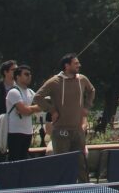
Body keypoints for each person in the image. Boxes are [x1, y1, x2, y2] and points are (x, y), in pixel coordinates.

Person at [33, 53, 95, 182]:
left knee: (81, 164)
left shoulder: (82, 79)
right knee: (62, 164)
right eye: (76, 63)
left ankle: (85, 188)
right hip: (61, 131)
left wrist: (87, 107)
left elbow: (92, 90)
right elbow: (37, 97)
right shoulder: (54, 81)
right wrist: (52, 110)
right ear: (67, 66)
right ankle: (63, 188)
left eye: (78, 63)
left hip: (77, 130)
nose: (79, 65)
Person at [3, 64, 39, 161]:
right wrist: (34, 108)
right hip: (15, 132)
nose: (29, 76)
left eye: (30, 74)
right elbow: (25, 111)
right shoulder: (14, 92)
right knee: (14, 159)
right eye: (26, 74)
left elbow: (42, 105)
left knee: (24, 160)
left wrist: (32, 108)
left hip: (27, 132)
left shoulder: (31, 92)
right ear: (18, 77)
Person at [0, 60, 18, 162]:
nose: (16, 72)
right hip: (2, 124)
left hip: (16, 126)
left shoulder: (19, 87)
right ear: (5, 72)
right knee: (1, 153)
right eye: (14, 70)